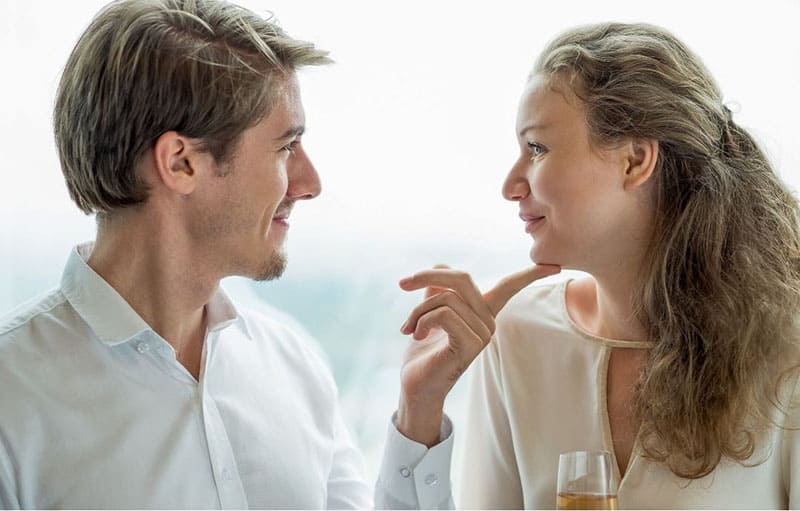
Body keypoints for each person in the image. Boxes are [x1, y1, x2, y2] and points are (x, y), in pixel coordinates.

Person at [0, 0, 539, 507]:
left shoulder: (291, 362)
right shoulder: (12, 398)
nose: (310, 182)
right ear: (181, 163)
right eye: (285, 147)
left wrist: (419, 410)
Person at [398, 22, 800, 508]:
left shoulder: (786, 351)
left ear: (635, 160)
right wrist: (419, 411)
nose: (511, 184)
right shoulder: (518, 335)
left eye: (538, 148)